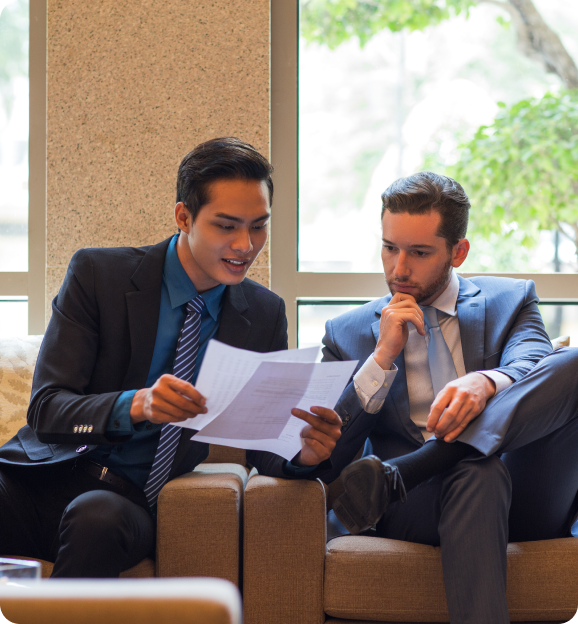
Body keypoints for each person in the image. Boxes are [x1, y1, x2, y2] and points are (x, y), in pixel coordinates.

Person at [0, 137, 342, 578]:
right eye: (227, 225)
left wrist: (305, 455)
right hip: (39, 478)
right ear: (184, 216)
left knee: (96, 518)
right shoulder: (98, 275)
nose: (246, 244)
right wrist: (136, 404)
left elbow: (263, 443)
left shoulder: (262, 314)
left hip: (127, 501)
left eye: (259, 226)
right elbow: (47, 409)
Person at [314, 172, 578, 624]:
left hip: (526, 492)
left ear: (458, 252)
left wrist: (488, 381)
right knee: (480, 472)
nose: (399, 268)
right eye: (389, 247)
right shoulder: (348, 334)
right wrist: (381, 358)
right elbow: (328, 457)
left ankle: (417, 464)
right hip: (419, 506)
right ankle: (422, 470)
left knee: (573, 361)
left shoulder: (510, 300)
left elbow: (533, 360)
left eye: (418, 253)